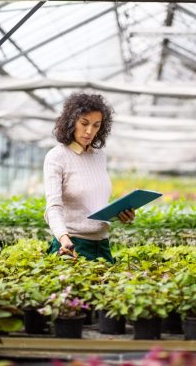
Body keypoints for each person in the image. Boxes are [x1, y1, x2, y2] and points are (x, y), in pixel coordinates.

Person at [43, 92, 135, 263]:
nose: (89, 131)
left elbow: (94, 202)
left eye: (96, 125)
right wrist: (65, 240)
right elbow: (53, 208)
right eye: (84, 123)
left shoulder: (99, 155)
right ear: (71, 121)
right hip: (72, 245)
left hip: (102, 245)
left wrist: (121, 215)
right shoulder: (57, 157)